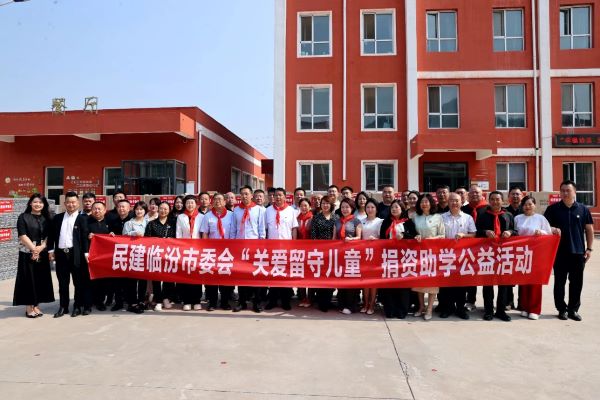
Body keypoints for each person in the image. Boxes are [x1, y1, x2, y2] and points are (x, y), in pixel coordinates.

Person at [544, 180, 594, 321]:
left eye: (568, 190)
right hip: (559, 253)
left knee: (577, 283)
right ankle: (561, 309)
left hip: (578, 253)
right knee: (559, 283)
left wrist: (589, 248)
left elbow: (589, 229)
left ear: (574, 192)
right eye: (563, 190)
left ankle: (573, 310)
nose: (565, 193)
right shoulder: (553, 209)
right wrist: (552, 229)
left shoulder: (583, 209)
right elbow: (544, 227)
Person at [476, 191, 516, 321]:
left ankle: (500, 310)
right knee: (488, 283)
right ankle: (488, 310)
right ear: (489, 201)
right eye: (492, 199)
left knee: (503, 284)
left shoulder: (508, 215)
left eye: (497, 199)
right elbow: (476, 232)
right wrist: (485, 232)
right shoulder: (482, 215)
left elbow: (516, 231)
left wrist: (510, 232)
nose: (495, 202)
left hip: (504, 253)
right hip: (487, 253)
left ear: (502, 201)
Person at [48, 192, 89, 318]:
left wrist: (86, 253)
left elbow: (84, 238)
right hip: (61, 254)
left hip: (76, 255)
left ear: (78, 203)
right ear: (64, 203)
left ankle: (77, 306)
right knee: (63, 283)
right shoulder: (57, 218)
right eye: (68, 202)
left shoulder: (83, 219)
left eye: (73, 202)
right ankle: (63, 306)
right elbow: (51, 235)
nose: (71, 205)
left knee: (78, 282)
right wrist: (50, 251)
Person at [13, 193, 55, 318]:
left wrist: (41, 248)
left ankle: (36, 305)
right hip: (27, 253)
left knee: (40, 279)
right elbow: (22, 235)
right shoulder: (23, 217)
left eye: (40, 202)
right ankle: (28, 307)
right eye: (35, 202)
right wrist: (34, 250)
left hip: (42, 252)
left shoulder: (47, 218)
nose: (38, 204)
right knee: (28, 279)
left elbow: (49, 236)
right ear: (30, 203)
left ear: (44, 205)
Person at [514, 196, 553, 320]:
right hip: (522, 253)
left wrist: (541, 233)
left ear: (535, 205)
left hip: (537, 254)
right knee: (524, 281)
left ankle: (535, 309)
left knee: (535, 282)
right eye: (525, 204)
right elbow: (514, 234)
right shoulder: (517, 218)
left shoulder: (541, 218)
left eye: (530, 204)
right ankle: (525, 307)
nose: (527, 206)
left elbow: (549, 233)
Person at [439, 193, 476, 319]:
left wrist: (464, 235)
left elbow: (473, 234)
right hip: (446, 255)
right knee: (446, 284)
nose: (454, 203)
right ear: (448, 202)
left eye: (457, 201)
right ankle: (448, 308)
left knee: (461, 284)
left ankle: (460, 309)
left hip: (462, 256)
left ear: (461, 202)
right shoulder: (441, 217)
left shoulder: (468, 218)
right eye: (452, 200)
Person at [379, 199, 417, 319]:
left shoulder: (408, 222)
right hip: (389, 257)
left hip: (404, 257)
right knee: (389, 285)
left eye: (397, 207)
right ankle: (390, 309)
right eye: (392, 207)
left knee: (403, 285)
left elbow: (414, 237)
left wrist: (404, 236)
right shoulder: (386, 222)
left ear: (402, 208)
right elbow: (381, 238)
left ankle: (402, 309)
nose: (394, 209)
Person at [232, 185, 266, 312]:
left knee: (256, 275)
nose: (244, 196)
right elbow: (233, 229)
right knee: (241, 275)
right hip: (240, 247)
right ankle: (242, 302)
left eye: (246, 194)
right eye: (242, 194)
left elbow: (262, 229)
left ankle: (257, 303)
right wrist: (233, 245)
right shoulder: (236, 210)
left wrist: (261, 246)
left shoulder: (259, 210)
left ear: (252, 195)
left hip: (255, 247)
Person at [412, 193, 445, 321]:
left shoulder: (438, 217)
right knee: (419, 282)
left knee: (432, 283)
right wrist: (415, 236)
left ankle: (430, 309)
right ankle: (421, 307)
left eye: (426, 201)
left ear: (431, 203)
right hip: (419, 254)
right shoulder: (415, 217)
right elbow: (411, 232)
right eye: (422, 202)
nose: (424, 204)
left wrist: (433, 239)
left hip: (433, 254)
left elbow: (443, 235)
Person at [201, 193, 236, 311]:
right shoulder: (208, 216)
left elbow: (234, 231)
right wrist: (205, 249)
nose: (217, 201)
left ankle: (225, 302)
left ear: (225, 202)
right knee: (212, 277)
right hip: (212, 250)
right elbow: (205, 233)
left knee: (225, 277)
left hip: (227, 251)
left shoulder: (231, 215)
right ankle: (212, 302)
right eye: (215, 199)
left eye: (220, 199)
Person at [264, 188, 298, 310]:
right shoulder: (268, 211)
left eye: (280, 195)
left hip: (286, 248)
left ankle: (285, 301)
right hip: (272, 249)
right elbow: (265, 229)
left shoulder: (291, 211)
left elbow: (294, 228)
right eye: (276, 195)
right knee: (273, 275)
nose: (278, 197)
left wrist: (294, 245)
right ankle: (272, 301)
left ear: (285, 197)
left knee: (285, 275)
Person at [145, 202, 176, 311]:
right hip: (156, 254)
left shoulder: (173, 223)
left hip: (169, 254)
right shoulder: (151, 223)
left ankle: (166, 298)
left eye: (166, 209)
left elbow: (177, 238)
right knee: (156, 279)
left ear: (169, 210)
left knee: (169, 278)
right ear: (158, 209)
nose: (163, 210)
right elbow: (146, 239)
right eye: (161, 208)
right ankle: (158, 300)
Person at [461, 184, 488, 311]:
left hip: (485, 248)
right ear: (468, 195)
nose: (474, 194)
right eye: (472, 192)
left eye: (477, 192)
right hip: (467, 247)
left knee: (486, 275)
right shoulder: (463, 209)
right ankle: (470, 301)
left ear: (482, 194)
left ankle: (488, 305)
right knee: (469, 274)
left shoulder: (488, 208)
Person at [176, 195, 204, 312]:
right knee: (186, 276)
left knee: (197, 276)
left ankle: (196, 300)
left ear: (196, 204)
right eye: (188, 203)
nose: (190, 205)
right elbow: (178, 234)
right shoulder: (180, 217)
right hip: (185, 250)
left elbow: (203, 234)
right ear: (185, 204)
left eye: (192, 202)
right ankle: (186, 300)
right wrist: (180, 249)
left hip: (198, 250)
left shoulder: (201, 217)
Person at [335, 198, 362, 315]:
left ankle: (351, 305)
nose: (344, 209)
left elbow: (359, 237)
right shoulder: (337, 221)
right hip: (339, 255)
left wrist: (351, 239)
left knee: (351, 281)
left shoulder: (356, 221)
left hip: (352, 254)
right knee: (341, 280)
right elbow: (333, 238)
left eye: (347, 207)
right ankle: (342, 304)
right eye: (342, 207)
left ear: (352, 208)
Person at [310, 195, 337, 312]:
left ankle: (328, 300)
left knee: (330, 277)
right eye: (323, 203)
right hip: (320, 252)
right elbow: (313, 235)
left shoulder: (336, 217)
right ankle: (321, 302)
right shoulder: (316, 218)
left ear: (331, 205)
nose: (325, 205)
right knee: (320, 277)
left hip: (332, 253)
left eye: (327, 203)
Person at [121, 200, 148, 314]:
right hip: (131, 254)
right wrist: (133, 233)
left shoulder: (148, 222)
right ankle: (132, 302)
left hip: (144, 254)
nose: (139, 211)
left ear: (145, 211)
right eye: (137, 209)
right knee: (131, 280)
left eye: (141, 209)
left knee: (143, 280)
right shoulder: (129, 223)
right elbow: (123, 238)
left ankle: (141, 300)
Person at [107, 199, 133, 312]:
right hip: (117, 254)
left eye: (124, 207)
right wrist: (110, 234)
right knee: (117, 280)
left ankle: (129, 301)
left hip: (131, 254)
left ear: (129, 208)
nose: (121, 209)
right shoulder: (113, 221)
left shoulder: (133, 221)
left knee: (130, 280)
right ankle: (118, 303)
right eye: (119, 207)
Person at [85, 201, 112, 311]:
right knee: (90, 279)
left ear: (104, 210)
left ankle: (100, 301)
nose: (97, 211)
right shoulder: (86, 222)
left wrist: (112, 235)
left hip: (105, 257)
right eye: (94, 209)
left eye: (99, 209)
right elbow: (81, 236)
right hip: (91, 255)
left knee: (103, 280)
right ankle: (89, 301)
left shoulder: (109, 222)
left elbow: (116, 236)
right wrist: (88, 236)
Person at [360, 198, 383, 315]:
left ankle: (372, 304)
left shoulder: (380, 221)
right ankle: (365, 303)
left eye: (372, 207)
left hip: (376, 254)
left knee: (373, 282)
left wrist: (376, 240)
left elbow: (383, 239)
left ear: (376, 209)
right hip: (364, 254)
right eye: (368, 207)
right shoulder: (361, 221)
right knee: (365, 281)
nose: (370, 209)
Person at [503, 186, 524, 310]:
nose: (515, 196)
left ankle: (522, 302)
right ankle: (508, 301)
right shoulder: (504, 212)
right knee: (507, 275)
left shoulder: (527, 210)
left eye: (518, 194)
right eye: (513, 194)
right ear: (508, 197)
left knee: (522, 275)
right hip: (508, 249)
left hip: (524, 250)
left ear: (522, 196)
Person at [296, 197, 314, 308]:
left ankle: (310, 298)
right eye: (301, 206)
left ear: (309, 207)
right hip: (299, 250)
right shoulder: (297, 218)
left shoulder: (313, 218)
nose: (303, 208)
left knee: (310, 275)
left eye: (306, 205)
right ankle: (303, 297)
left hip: (310, 250)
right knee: (300, 274)